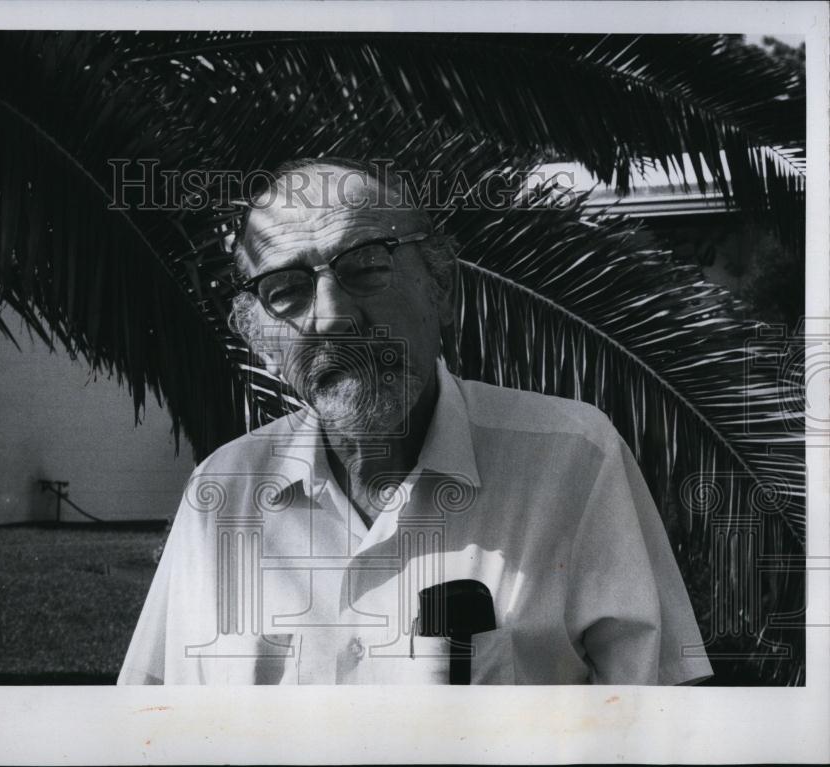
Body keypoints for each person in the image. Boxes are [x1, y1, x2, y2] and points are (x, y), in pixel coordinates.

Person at [118, 158, 713, 685]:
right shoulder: (222, 493)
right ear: (261, 340)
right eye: (286, 291)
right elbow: (151, 724)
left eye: (365, 267)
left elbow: (661, 725)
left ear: (442, 287)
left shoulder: (575, 461)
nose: (332, 319)